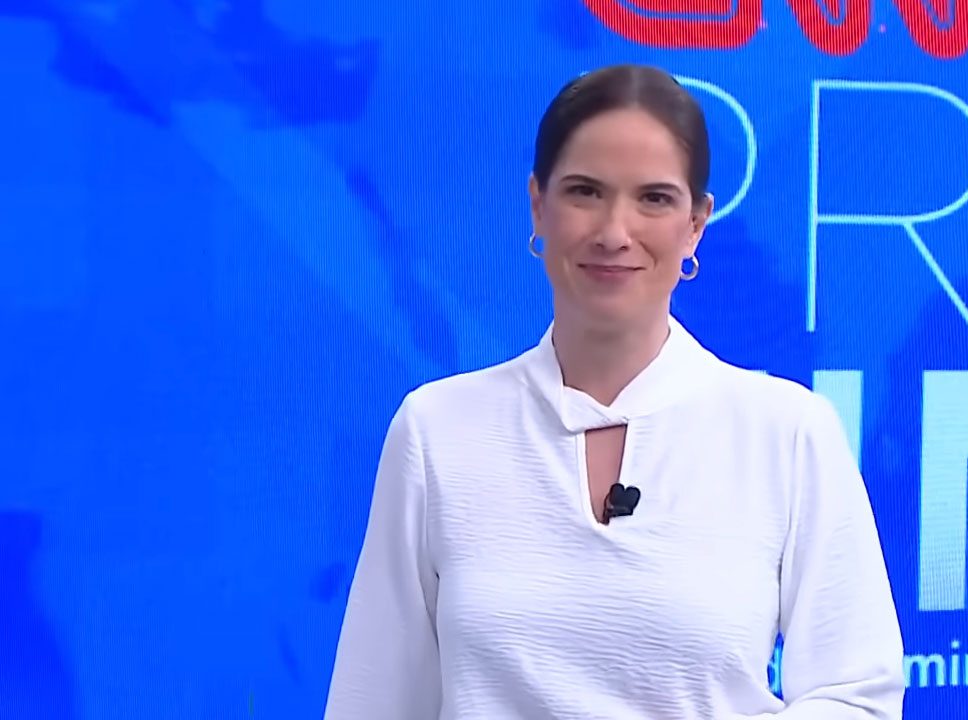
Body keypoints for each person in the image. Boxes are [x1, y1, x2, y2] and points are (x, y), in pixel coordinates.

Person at [323, 63, 905, 719]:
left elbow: (857, 696)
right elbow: (373, 701)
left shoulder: (787, 432)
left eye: (654, 198)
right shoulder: (437, 430)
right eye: (585, 192)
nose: (614, 232)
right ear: (538, 204)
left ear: (696, 223)